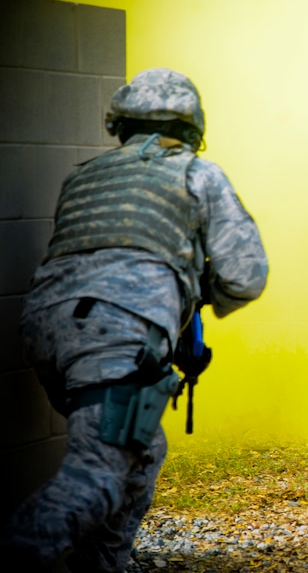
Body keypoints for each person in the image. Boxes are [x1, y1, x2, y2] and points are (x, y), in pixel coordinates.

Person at [0, 68, 269, 572]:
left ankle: (103, 564)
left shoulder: (82, 175)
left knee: (141, 450)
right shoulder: (196, 173)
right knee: (97, 474)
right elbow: (246, 276)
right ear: (192, 127)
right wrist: (192, 292)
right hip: (116, 336)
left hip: (43, 329)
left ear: (120, 124)